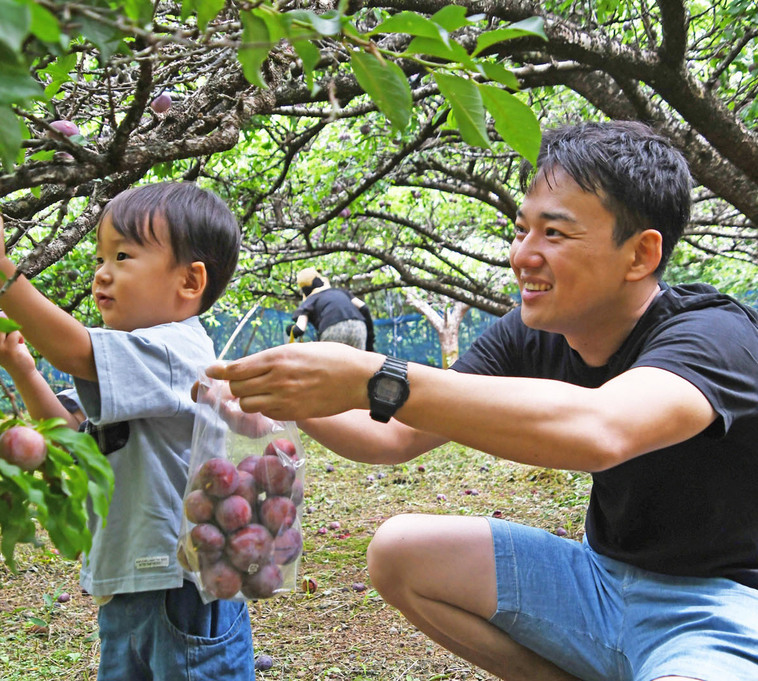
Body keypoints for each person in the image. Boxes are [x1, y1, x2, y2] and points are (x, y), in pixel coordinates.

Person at [206, 122, 758, 681]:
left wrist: (374, 376)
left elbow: (603, 431)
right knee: (400, 551)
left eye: (555, 234)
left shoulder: (715, 337)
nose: (523, 255)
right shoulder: (531, 331)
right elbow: (392, 434)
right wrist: (282, 393)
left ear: (640, 254)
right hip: (599, 582)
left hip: (717, 608)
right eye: (522, 230)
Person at [0, 181, 255, 681]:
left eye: (122, 255)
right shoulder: (134, 361)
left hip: (181, 590)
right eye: (100, 257)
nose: (102, 273)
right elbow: (72, 435)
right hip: (129, 581)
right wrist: (25, 371)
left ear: (189, 281)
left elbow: (73, 349)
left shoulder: (179, 350)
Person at [286, 267, 375, 350]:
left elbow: (300, 329)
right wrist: (370, 343)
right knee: (358, 363)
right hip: (359, 328)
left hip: (332, 329)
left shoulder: (310, 301)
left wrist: (290, 329)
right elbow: (364, 308)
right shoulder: (340, 292)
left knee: (332, 365)